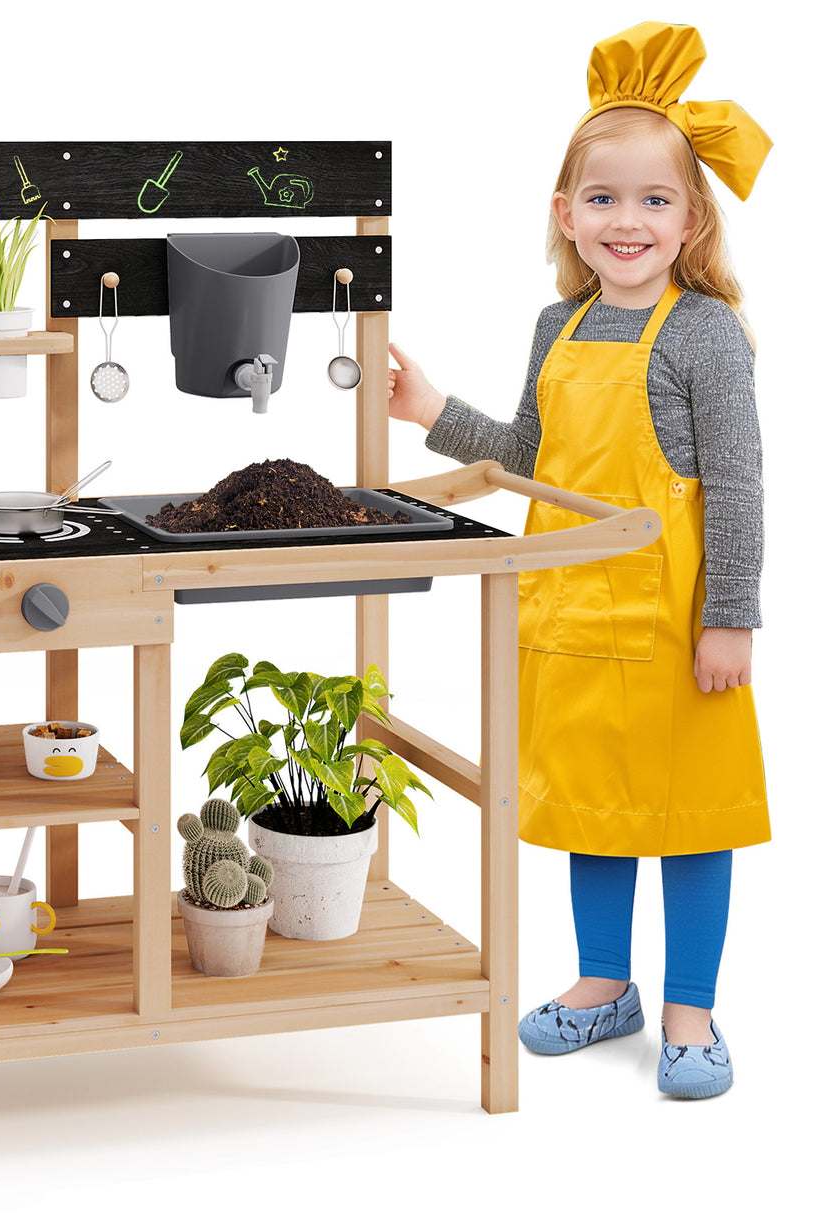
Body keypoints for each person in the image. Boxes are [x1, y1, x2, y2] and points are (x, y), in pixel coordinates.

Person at [387, 22, 772, 1099]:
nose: (627, 220)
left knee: (690, 817)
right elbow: (528, 458)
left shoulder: (703, 334)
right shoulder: (555, 325)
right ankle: (604, 982)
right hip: (565, 618)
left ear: (690, 217)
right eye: (603, 197)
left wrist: (728, 615)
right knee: (589, 810)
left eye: (654, 200)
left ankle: (688, 1004)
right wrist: (428, 410)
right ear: (564, 213)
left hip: (675, 627)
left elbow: (736, 486)